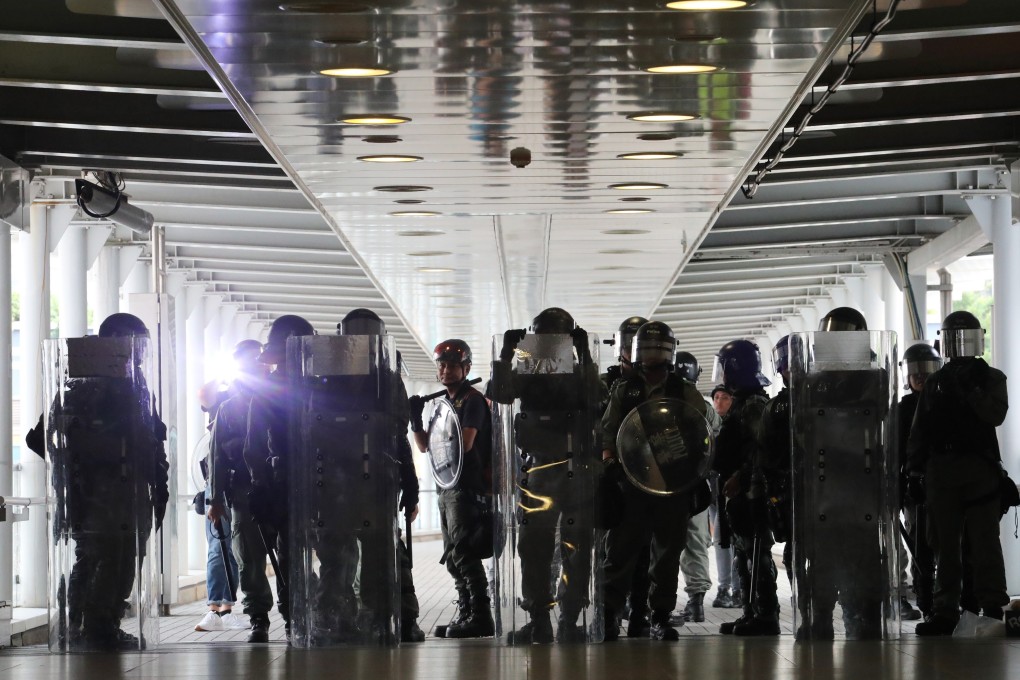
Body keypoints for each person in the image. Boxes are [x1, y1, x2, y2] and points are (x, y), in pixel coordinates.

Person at [44, 312, 170, 650]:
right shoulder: (85, 384)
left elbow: (151, 439)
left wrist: (158, 480)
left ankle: (101, 624)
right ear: (115, 344)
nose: (141, 352)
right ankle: (89, 626)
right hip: (100, 493)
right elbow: (49, 435)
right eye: (136, 343)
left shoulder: (136, 384)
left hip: (128, 492)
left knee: (121, 559)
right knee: (99, 558)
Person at [490, 307, 602, 643]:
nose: (550, 346)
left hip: (572, 470)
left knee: (576, 548)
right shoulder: (530, 370)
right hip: (540, 469)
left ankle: (566, 618)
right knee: (535, 547)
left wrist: (584, 355)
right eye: (544, 339)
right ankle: (542, 618)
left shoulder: (578, 371)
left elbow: (595, 399)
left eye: (557, 339)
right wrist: (506, 354)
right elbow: (500, 393)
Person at [601, 321, 710, 641]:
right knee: (620, 553)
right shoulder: (625, 391)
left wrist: (691, 472)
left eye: (659, 348)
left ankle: (658, 616)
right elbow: (609, 435)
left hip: (672, 487)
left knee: (666, 555)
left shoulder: (685, 392)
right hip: (631, 484)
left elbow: (699, 437)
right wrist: (611, 466)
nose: (652, 355)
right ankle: (609, 615)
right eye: (646, 348)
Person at [906, 310, 1009, 636]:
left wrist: (971, 389)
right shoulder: (936, 382)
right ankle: (945, 611)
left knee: (985, 543)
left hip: (978, 469)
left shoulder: (991, 378)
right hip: (942, 471)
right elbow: (919, 432)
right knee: (945, 546)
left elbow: (995, 414)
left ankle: (992, 605)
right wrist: (914, 473)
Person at [411, 339, 495, 639]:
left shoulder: (472, 400)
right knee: (453, 556)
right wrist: (415, 419)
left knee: (464, 553)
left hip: (466, 488)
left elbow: (466, 443)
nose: (446, 370)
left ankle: (481, 615)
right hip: (447, 487)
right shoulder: (442, 405)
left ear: (466, 368)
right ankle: (467, 611)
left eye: (452, 365)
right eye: (442, 365)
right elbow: (424, 448)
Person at [242, 314, 315, 642]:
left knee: (297, 557)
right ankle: (296, 616)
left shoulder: (272, 394)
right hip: (289, 485)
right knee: (291, 556)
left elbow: (253, 448)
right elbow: (254, 447)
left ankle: (300, 615)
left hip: (303, 484)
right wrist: (260, 484)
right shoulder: (272, 394)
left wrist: (260, 483)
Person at [203, 340, 270, 638]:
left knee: (288, 554)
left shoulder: (279, 400)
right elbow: (217, 454)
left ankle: (293, 611)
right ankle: (258, 616)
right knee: (249, 557)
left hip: (277, 489)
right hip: (242, 492)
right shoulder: (227, 408)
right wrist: (215, 499)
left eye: (258, 360)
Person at [713, 338, 778, 636]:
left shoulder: (752, 405)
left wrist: (740, 475)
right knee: (744, 552)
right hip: (740, 492)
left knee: (758, 552)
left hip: (753, 491)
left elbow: (760, 448)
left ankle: (766, 614)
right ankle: (750, 611)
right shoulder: (743, 402)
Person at [599, 316, 652, 635]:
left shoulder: (658, 382)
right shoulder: (607, 384)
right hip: (614, 476)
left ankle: (640, 611)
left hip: (652, 475)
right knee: (614, 548)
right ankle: (610, 610)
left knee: (646, 550)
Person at [897, 342, 941, 621]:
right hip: (915, 487)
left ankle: (948, 600)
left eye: (926, 374)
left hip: (946, 485)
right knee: (920, 548)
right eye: (916, 375)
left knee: (949, 547)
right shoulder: (903, 409)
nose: (921, 379)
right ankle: (927, 603)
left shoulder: (947, 403)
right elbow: (897, 450)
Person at [673, 352, 717, 625]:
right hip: (696, 484)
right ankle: (696, 602)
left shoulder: (658, 402)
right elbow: (717, 434)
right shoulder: (703, 405)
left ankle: (656, 603)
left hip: (662, 483)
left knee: (663, 544)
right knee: (697, 542)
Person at [707, 384, 741, 609]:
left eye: (725, 397)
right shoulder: (709, 426)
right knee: (720, 539)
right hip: (713, 488)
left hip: (732, 488)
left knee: (731, 538)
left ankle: (736, 588)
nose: (719, 402)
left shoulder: (737, 424)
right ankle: (725, 587)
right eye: (716, 397)